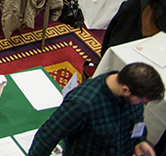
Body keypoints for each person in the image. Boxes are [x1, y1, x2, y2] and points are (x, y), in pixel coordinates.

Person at [28, 62, 163, 156]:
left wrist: (140, 141)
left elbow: (137, 123)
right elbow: (46, 137)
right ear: (125, 90)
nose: (144, 105)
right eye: (142, 101)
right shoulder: (81, 105)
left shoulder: (133, 95)